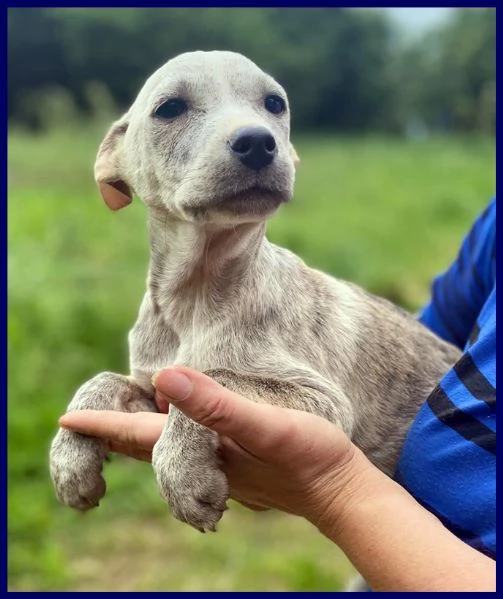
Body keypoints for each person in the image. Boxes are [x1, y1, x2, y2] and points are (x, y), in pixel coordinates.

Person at [59, 198, 496, 592]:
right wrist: (99, 405)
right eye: (171, 110)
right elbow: (424, 337)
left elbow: (321, 405)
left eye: (272, 104)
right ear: (115, 167)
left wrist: (334, 492)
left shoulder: (268, 307)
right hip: (395, 561)